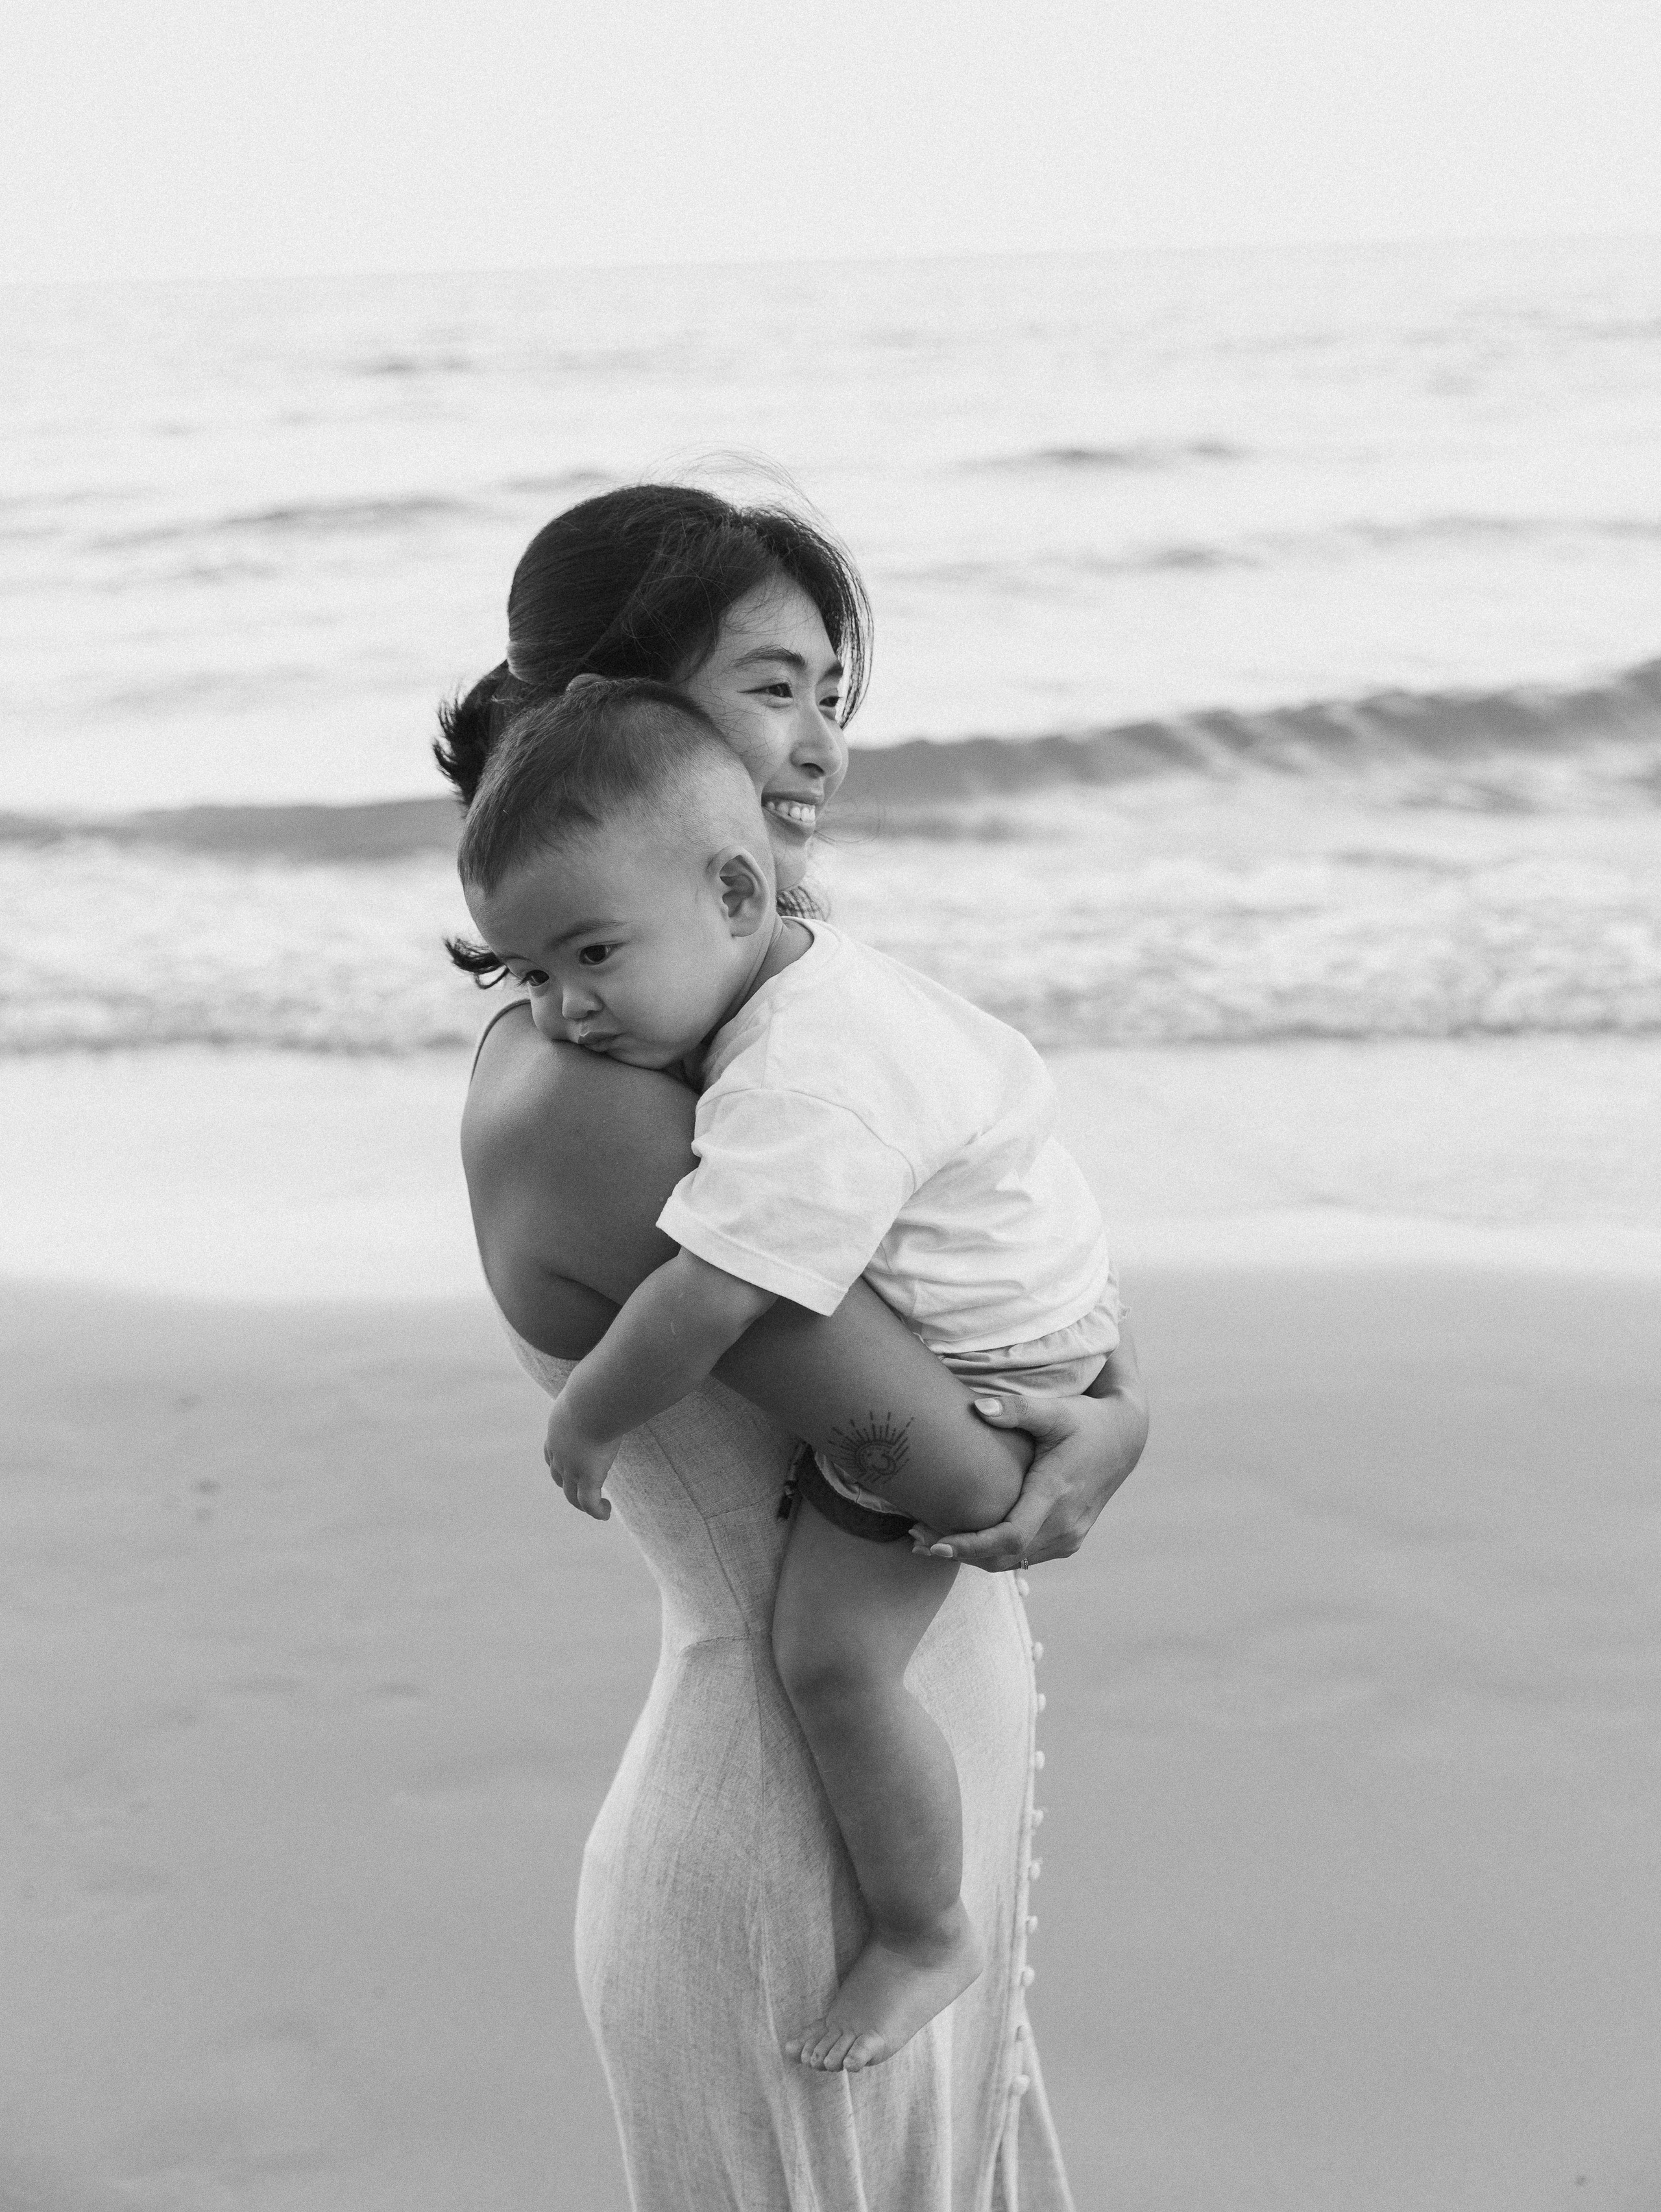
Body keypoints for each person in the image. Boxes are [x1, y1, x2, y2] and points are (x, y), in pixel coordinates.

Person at [441, 485, 1148, 2209]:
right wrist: (1100, 1430)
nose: (822, 738)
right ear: (618, 713)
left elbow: (977, 1250)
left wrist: (1116, 1396)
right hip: (792, 1866)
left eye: (835, 687)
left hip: (881, 1813)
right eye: (772, 687)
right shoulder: (612, 1102)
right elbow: (962, 1460)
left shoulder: (752, 1025)